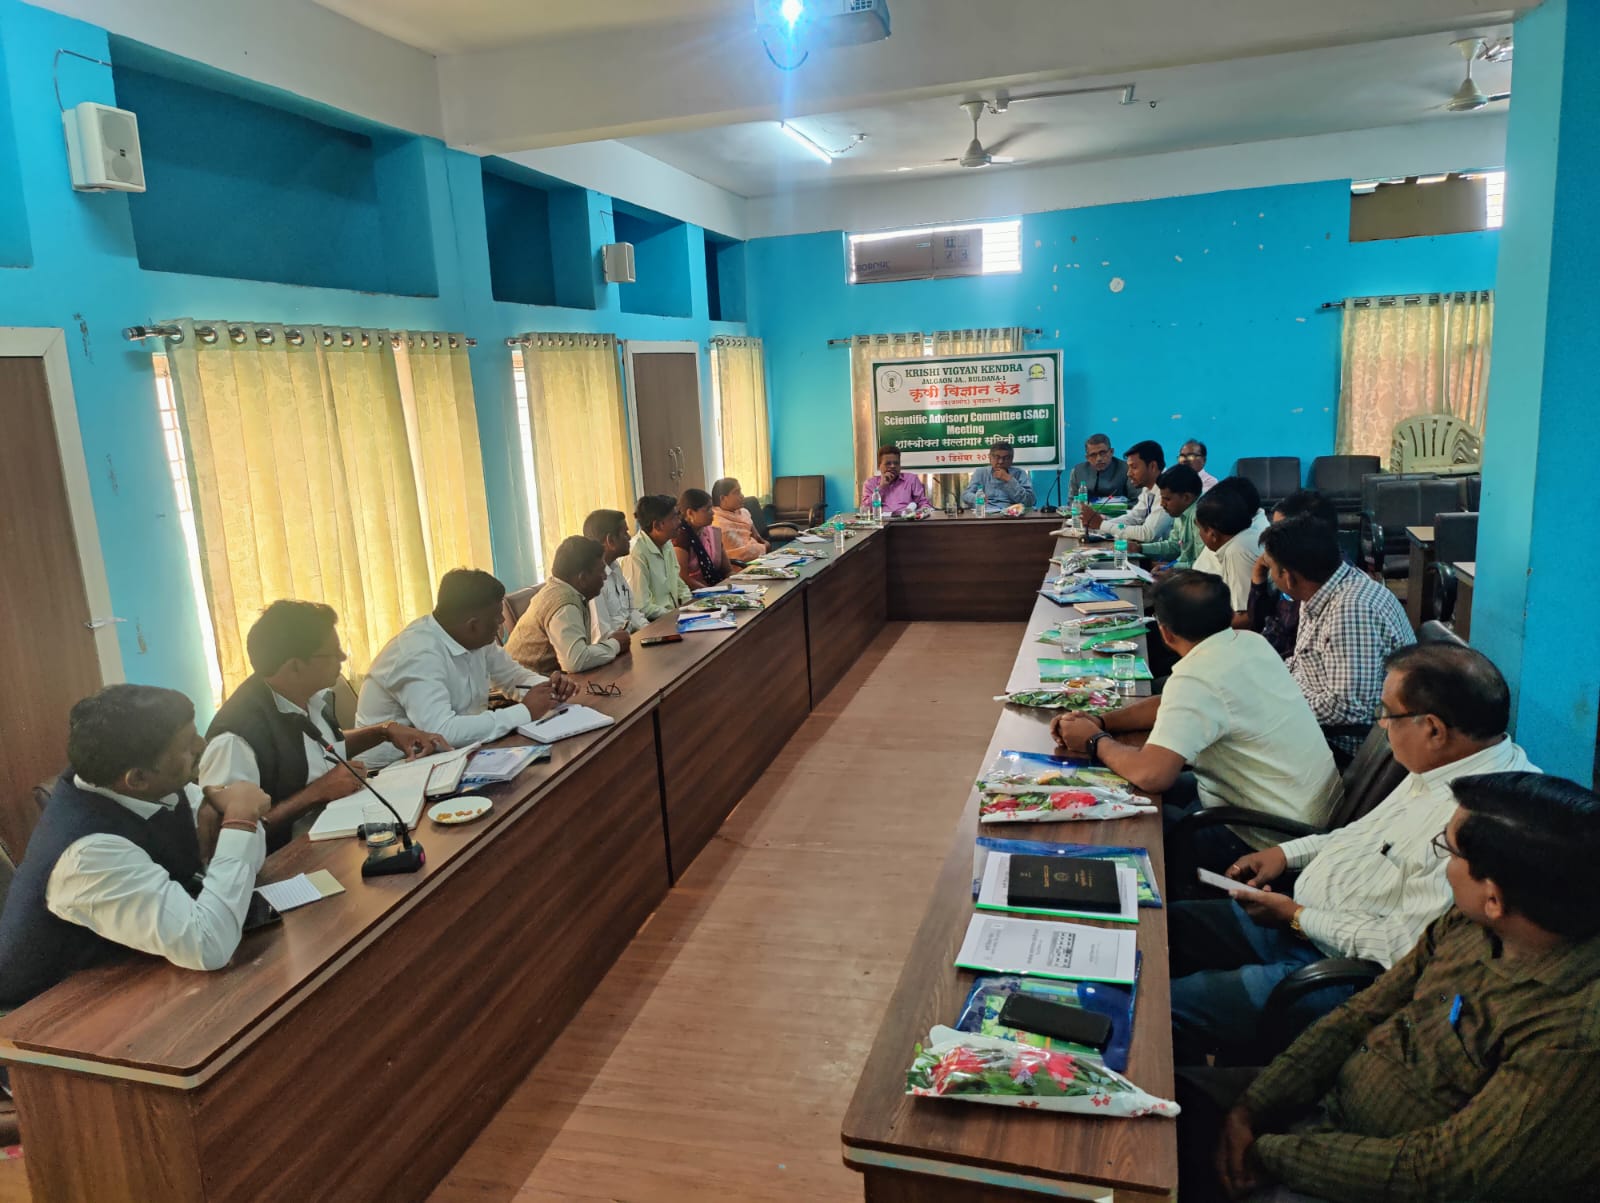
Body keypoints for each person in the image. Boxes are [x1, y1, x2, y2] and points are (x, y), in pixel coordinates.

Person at [1180, 771, 1600, 1203]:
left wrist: (1271, 1152)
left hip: (1379, 1178)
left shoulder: (1574, 1036)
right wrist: (1252, 1107)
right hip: (1326, 1106)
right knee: (1169, 1103)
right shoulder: (1468, 924)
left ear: (1493, 898)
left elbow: (1441, 1173)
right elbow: (1359, 1015)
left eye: (1447, 851)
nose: (1443, 865)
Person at [1169, 643, 1537, 1065]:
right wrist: (1286, 854)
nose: (1380, 724)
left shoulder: (1478, 822)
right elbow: (1362, 834)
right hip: (1305, 923)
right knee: (1169, 929)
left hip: (1337, 975)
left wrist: (1298, 917)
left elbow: (1402, 949)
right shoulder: (1444, 766)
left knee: (1168, 1006)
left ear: (1433, 729)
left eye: (1388, 713)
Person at [0, 686, 272, 1008]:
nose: (202, 746)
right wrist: (240, 819)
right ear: (137, 778)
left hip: (133, 973)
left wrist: (228, 817)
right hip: (49, 1013)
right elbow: (209, 946)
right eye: (187, 744)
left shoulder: (148, 784)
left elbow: (251, 860)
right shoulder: (87, 856)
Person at [1051, 572, 1341, 872]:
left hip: (1267, 837)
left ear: (1165, 633)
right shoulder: (1250, 642)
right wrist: (1101, 721)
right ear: (1229, 615)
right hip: (1297, 811)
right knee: (1129, 791)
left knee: (1125, 823)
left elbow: (1152, 774)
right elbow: (1171, 704)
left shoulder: (1198, 677)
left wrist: (1094, 741)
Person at [200, 601, 448, 852]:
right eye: (332, 653)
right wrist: (315, 793)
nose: (343, 657)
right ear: (295, 666)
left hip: (338, 833)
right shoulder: (235, 739)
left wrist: (384, 731)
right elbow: (226, 839)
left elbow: (321, 749)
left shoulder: (306, 696)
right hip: (289, 860)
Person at [356, 569, 576, 763]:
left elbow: (514, 677)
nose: (502, 621)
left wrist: (549, 687)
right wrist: (525, 711)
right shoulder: (417, 654)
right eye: (496, 616)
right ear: (473, 625)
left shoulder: (474, 638)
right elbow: (442, 732)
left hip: (457, 752)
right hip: (393, 769)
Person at [1261, 515, 1414, 759]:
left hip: (1343, 744)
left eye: (1270, 568)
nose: (1269, 575)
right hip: (1313, 716)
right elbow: (1303, 663)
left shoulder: (1352, 611)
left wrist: (1280, 705)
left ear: (1288, 577)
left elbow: (1348, 708)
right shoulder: (1320, 589)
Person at [506, 536, 629, 675]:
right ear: (583, 578)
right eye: (601, 571)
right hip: (521, 684)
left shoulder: (565, 590)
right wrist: (615, 644)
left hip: (542, 680)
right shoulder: (564, 604)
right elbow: (576, 661)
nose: (605, 577)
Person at [1247, 490, 1339, 659]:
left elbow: (1294, 652)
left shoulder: (1314, 582)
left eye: (1280, 530)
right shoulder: (1286, 565)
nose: (1272, 538)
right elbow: (1259, 624)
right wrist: (1258, 576)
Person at [1191, 480, 1266, 628]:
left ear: (1212, 534)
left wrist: (1200, 629)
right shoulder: (1237, 540)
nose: (1199, 534)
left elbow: (1247, 617)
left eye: (1200, 529)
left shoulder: (1237, 550)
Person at [1077, 439, 1172, 542]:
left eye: (1134, 467)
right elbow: (1134, 517)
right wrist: (1100, 524)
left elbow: (1148, 533)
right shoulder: (1149, 486)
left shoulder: (1168, 489)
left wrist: (1102, 524)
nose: (1128, 473)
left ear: (1152, 466)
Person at [621, 494, 693, 619]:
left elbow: (678, 583)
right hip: (653, 623)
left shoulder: (667, 543)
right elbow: (641, 607)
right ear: (657, 525)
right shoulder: (635, 553)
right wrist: (676, 615)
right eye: (674, 518)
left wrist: (692, 607)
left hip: (674, 617)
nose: (679, 522)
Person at [584, 508, 650, 639]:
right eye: (625, 533)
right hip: (616, 647)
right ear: (610, 541)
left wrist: (650, 631)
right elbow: (602, 636)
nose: (629, 537)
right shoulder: (592, 580)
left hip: (633, 639)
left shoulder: (614, 566)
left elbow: (631, 611)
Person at [1125, 464, 1205, 569]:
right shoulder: (1181, 510)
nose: (1162, 504)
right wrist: (1139, 548)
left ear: (1186, 497)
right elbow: (1174, 546)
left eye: (1167, 499)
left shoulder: (1202, 517)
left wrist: (1171, 568)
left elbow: (1203, 565)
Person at [673, 487, 733, 590]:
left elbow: (728, 570)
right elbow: (683, 578)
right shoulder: (680, 537)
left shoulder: (712, 533)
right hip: (696, 593)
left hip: (718, 587)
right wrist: (711, 591)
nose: (713, 512)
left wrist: (735, 584)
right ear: (690, 513)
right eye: (708, 509)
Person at [961, 440, 1035, 511]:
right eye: (997, 457)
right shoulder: (981, 473)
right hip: (986, 513)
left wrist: (1010, 480)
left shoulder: (1020, 473)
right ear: (990, 458)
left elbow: (1030, 501)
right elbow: (966, 495)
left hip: (1012, 514)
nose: (1000, 461)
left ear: (1011, 459)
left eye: (1005, 458)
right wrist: (978, 498)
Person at [859, 445, 932, 517]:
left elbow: (924, 504)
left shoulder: (911, 479)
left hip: (906, 521)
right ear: (879, 466)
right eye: (888, 463)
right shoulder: (870, 483)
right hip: (881, 521)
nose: (893, 466)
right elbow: (866, 509)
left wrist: (920, 513)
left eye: (896, 463)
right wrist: (882, 487)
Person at [710, 479, 770, 561]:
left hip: (759, 557)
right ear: (723, 498)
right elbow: (735, 555)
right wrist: (765, 547)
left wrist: (764, 546)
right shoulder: (717, 523)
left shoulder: (743, 512)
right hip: (740, 565)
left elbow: (758, 537)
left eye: (740, 491)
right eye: (737, 492)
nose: (742, 496)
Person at [1065, 433, 1129, 501]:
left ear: (1111, 452)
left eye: (1103, 453)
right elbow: (1072, 501)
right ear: (1087, 457)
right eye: (1093, 455)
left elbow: (1135, 500)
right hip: (1086, 508)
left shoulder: (1127, 469)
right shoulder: (1077, 471)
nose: (1099, 459)